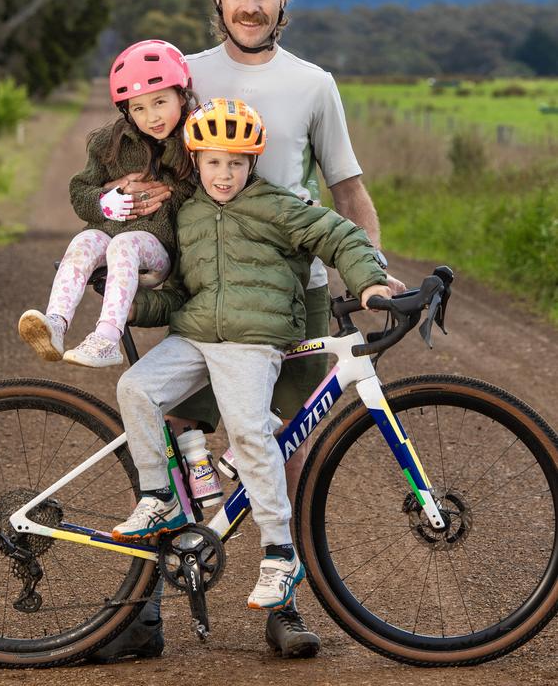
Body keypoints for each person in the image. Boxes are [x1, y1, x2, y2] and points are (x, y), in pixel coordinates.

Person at [104, 0, 405, 661]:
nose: (249, 4)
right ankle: (141, 611)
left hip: (288, 292)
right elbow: (136, 149)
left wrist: (369, 276)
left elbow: (346, 191)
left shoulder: (313, 83)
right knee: (172, 427)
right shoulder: (187, 72)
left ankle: (285, 603)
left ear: (282, 3)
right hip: (196, 281)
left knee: (280, 441)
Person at [111, 98, 389, 628]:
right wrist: (126, 301)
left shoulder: (278, 206)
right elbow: (173, 292)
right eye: (214, 161)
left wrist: (369, 279)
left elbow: (339, 234)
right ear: (196, 160)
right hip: (195, 337)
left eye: (236, 163)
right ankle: (157, 497)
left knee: (250, 432)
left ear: (252, 163)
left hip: (252, 342)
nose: (224, 173)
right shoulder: (189, 214)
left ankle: (280, 556)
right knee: (135, 389)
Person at [18, 40, 196, 368]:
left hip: (158, 254)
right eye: (138, 108)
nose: (151, 116)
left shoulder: (194, 140)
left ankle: (106, 339)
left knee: (124, 244)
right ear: (126, 111)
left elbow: (197, 193)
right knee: (85, 240)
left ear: (181, 96)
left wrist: (172, 149)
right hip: (112, 240)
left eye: (160, 102)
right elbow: (79, 191)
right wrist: (106, 202)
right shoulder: (109, 143)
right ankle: (56, 323)